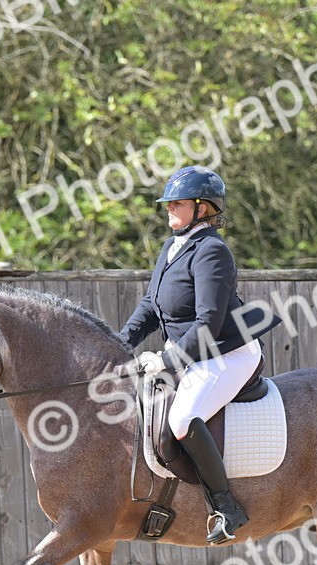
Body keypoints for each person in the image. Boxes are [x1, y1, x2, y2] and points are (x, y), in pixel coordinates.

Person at [119, 166, 280, 545]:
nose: (169, 209)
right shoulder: (172, 247)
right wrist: (118, 343)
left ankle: (226, 507)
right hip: (193, 354)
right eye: (168, 203)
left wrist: (168, 360)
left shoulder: (212, 251)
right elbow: (150, 304)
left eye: (177, 203)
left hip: (227, 353)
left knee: (182, 419)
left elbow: (209, 321)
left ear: (203, 208)